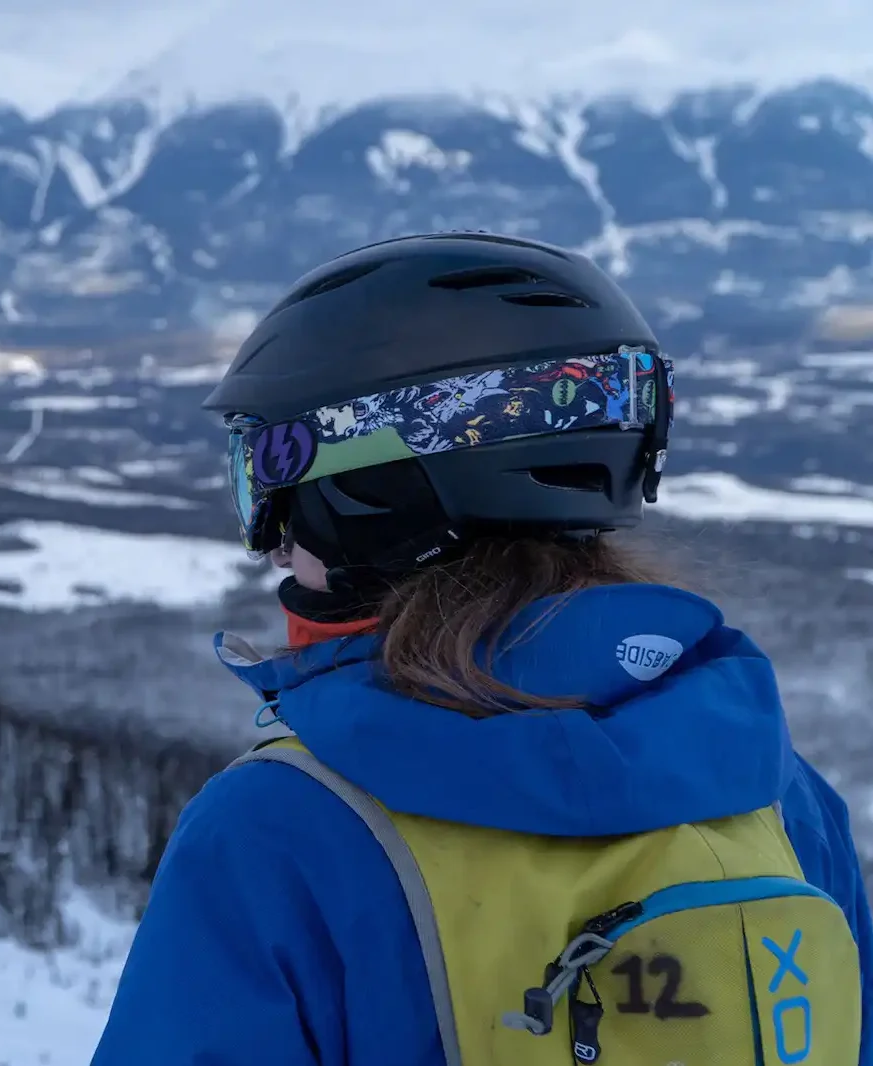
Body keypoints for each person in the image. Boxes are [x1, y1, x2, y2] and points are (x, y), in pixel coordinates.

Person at [91, 232, 872, 1066]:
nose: (272, 545)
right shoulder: (774, 792)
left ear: (370, 490)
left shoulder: (277, 830)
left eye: (268, 479)